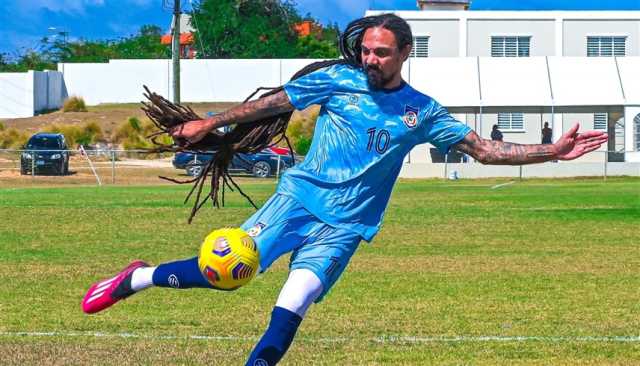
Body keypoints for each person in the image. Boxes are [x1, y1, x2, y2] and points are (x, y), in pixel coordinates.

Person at [81, 14, 608, 366]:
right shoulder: (338, 80)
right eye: (366, 51)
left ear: (404, 52)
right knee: (227, 276)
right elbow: (271, 104)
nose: (370, 59)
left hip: (346, 224)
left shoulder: (421, 112)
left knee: (298, 297)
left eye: (381, 52)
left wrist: (550, 152)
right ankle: (139, 277)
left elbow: (484, 149)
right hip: (298, 199)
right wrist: (209, 125)